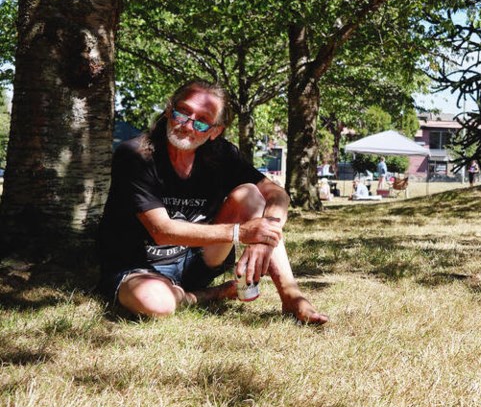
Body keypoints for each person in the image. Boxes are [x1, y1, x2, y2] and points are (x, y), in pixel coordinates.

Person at [96, 80, 328, 325]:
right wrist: (242, 233)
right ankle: (204, 295)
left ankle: (292, 297)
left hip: (197, 261)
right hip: (138, 267)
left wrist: (266, 233)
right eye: (182, 112)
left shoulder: (222, 155)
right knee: (156, 304)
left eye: (202, 120)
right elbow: (161, 231)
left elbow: (277, 194)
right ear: (168, 110)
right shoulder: (136, 155)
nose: (187, 125)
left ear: (215, 130)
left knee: (250, 194)